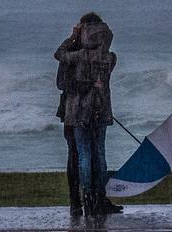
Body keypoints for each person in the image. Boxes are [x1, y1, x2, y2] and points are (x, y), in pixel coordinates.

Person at [54, 12, 122, 216]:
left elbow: (59, 54)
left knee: (82, 155)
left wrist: (73, 36)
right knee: (99, 154)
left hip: (77, 112)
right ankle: (98, 197)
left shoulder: (78, 55)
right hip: (101, 110)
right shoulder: (110, 57)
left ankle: (85, 198)